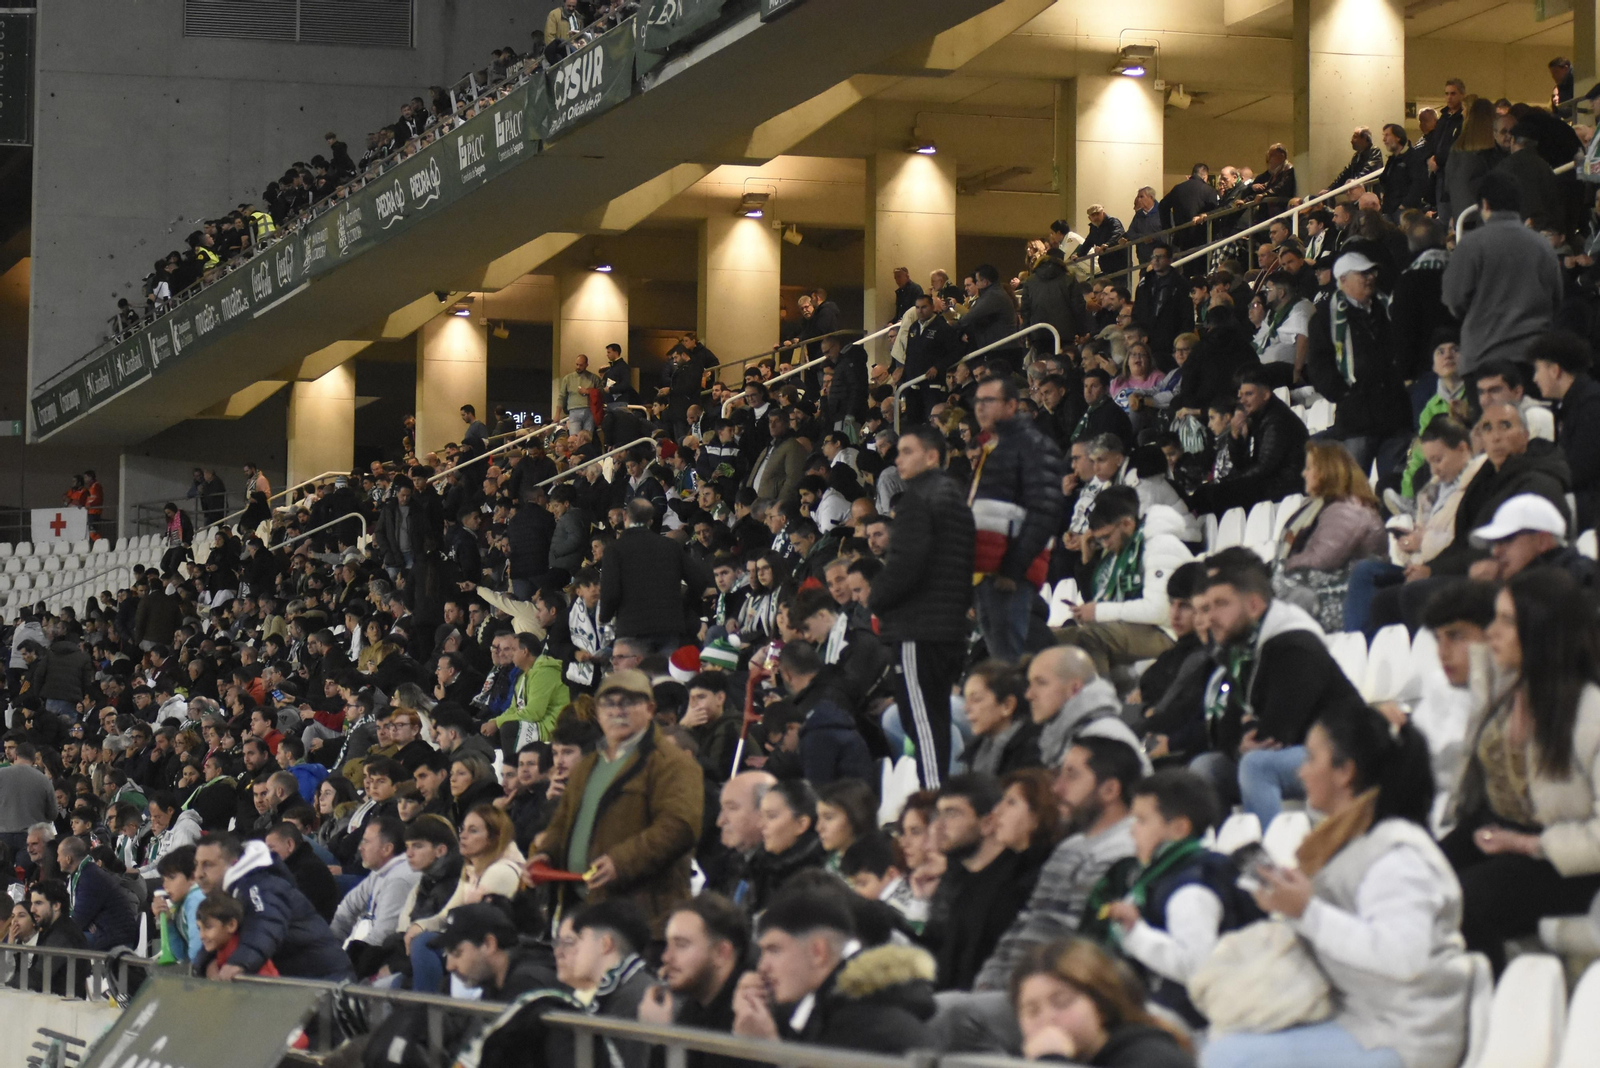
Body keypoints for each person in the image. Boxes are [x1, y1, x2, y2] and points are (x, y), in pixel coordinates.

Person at [1201, 701, 1469, 1068]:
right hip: (1364, 1016)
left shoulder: (1397, 854)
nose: (1302, 770)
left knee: (1228, 1057)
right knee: (1221, 1038)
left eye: (1311, 758)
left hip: (1404, 1034)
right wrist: (1296, 903)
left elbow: (1404, 958)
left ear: (1345, 772)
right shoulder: (1356, 841)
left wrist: (1307, 909)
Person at [1438, 570, 1600, 974]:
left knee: (1470, 899)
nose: (1491, 632)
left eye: (1507, 621)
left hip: (1563, 858)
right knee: (1419, 879)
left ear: (1542, 630)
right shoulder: (1507, 687)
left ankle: (1493, 1010)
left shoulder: (1590, 713)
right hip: (1497, 829)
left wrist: (1528, 845)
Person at [531, 670, 703, 937]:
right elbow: (563, 822)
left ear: (650, 708)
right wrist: (546, 855)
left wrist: (620, 862)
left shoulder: (672, 763)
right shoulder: (589, 765)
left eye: (628, 702)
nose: (617, 711)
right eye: (608, 703)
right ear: (598, 713)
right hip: (581, 910)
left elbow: (679, 827)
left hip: (641, 918)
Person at [1191, 556, 1360, 826]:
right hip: (1294, 753)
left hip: (1340, 752)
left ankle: (1268, 858)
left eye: (1221, 605)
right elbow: (1224, 731)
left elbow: (1278, 732)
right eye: (1208, 607)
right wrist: (1241, 741)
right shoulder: (1243, 650)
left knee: (1256, 765)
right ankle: (1222, 858)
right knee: (1205, 768)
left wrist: (1246, 734)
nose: (1210, 618)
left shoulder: (1295, 645)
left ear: (1254, 605)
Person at [1093, 771, 1259, 1028]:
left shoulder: (1191, 889)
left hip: (1197, 1029)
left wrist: (1135, 933)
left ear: (1179, 828)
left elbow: (1197, 968)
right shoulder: (1168, 875)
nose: (1132, 832)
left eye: (1141, 821)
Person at [869, 424, 975, 788]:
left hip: (919, 626)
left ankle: (934, 797)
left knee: (922, 721)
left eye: (907, 451)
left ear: (932, 455)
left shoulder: (919, 498)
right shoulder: (954, 496)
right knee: (937, 716)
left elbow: (905, 564)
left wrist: (875, 597)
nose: (898, 459)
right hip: (947, 627)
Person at [732, 889, 936, 1053]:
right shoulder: (830, 1008)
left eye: (774, 950)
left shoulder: (863, 1024)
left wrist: (766, 1050)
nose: (762, 966)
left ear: (818, 952)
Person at [970, 375, 1066, 662]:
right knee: (1002, 660)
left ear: (1012, 405)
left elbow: (1045, 511)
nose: (980, 407)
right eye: (977, 401)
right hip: (986, 573)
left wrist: (1013, 569)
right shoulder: (991, 448)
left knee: (1016, 662)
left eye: (989, 401)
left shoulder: (1032, 445)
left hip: (1009, 573)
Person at [1058, 489, 1193, 677]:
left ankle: (1100, 703)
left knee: (1091, 637)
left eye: (1106, 537)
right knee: (1053, 638)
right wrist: (1087, 560)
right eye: (1100, 539)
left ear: (1127, 523)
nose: (1104, 544)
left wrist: (1098, 611)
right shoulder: (1121, 550)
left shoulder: (1161, 545)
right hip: (1134, 628)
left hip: (1168, 633)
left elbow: (1159, 611)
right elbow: (1100, 599)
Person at [1442, 171, 1563, 376]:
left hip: (1483, 357)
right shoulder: (1543, 245)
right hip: (1534, 359)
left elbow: (1454, 299)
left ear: (1485, 205)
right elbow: (1557, 299)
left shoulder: (1471, 245)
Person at [1011, 939, 1195, 1067]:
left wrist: (1051, 1063)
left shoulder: (1154, 1058)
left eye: (1063, 1002)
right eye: (1032, 1011)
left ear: (1101, 1005)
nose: (1048, 1019)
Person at [1305, 252, 1411, 473]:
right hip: (1357, 419)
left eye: (1371, 272)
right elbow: (1319, 364)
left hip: (1395, 415)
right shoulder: (1326, 318)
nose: (1370, 277)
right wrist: (1344, 393)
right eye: (1362, 273)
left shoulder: (1388, 308)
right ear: (1343, 280)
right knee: (1352, 489)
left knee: (1394, 485)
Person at [192, 832, 352, 979]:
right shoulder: (230, 893)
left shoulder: (261, 886)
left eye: (208, 864)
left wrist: (239, 963)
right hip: (298, 987)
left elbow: (264, 924)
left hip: (325, 983)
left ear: (234, 863)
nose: (198, 874)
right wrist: (206, 962)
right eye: (196, 864)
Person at [1271, 442, 1387, 632]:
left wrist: (1281, 566)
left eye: (1309, 468)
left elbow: (1322, 559)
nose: (1304, 474)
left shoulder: (1348, 509)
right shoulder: (1325, 507)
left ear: (1326, 472)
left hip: (1342, 597)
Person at [636, 894, 752, 1068]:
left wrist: (661, 1037)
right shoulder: (695, 1006)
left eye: (681, 945)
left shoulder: (749, 1014)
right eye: (667, 944)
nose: (666, 957)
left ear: (722, 953)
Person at [600, 499, 714, 655]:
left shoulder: (615, 549)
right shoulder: (670, 546)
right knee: (663, 676)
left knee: (638, 678)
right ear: (651, 520)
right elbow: (698, 582)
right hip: (669, 627)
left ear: (625, 516)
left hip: (632, 627)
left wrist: (605, 616)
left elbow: (611, 592)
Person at [1193, 368, 1309, 515]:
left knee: (1216, 495)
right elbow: (1241, 464)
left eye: (1249, 394)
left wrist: (1231, 482)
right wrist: (1235, 436)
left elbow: (1265, 467)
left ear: (1266, 394)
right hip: (1268, 481)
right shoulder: (1257, 416)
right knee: (1205, 492)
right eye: (1240, 395)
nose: (1243, 400)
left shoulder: (1277, 421)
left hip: (1285, 485)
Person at [329, 816, 420, 974]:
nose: (360, 848)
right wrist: (330, 948)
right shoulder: (381, 872)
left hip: (395, 963)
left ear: (386, 849)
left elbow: (381, 938)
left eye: (366, 841)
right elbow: (348, 908)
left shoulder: (399, 880)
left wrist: (348, 963)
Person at [1530, 331, 1600, 529]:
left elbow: (1579, 470)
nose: (1535, 378)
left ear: (1555, 370)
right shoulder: (1576, 403)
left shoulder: (1591, 405)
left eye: (1538, 369)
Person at [744, 778, 826, 912]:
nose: (761, 825)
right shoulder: (758, 866)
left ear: (801, 824)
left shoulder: (819, 882)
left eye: (771, 816)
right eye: (761, 816)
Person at [56, 835, 138, 950]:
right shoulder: (86, 872)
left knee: (58, 942)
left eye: (59, 855)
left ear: (68, 858)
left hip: (114, 939)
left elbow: (78, 921)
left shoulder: (90, 877)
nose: (57, 859)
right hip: (106, 934)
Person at [961, 660, 1041, 777]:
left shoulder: (1033, 753)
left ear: (1007, 705)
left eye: (976, 699)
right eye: (966, 699)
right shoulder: (973, 751)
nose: (966, 708)